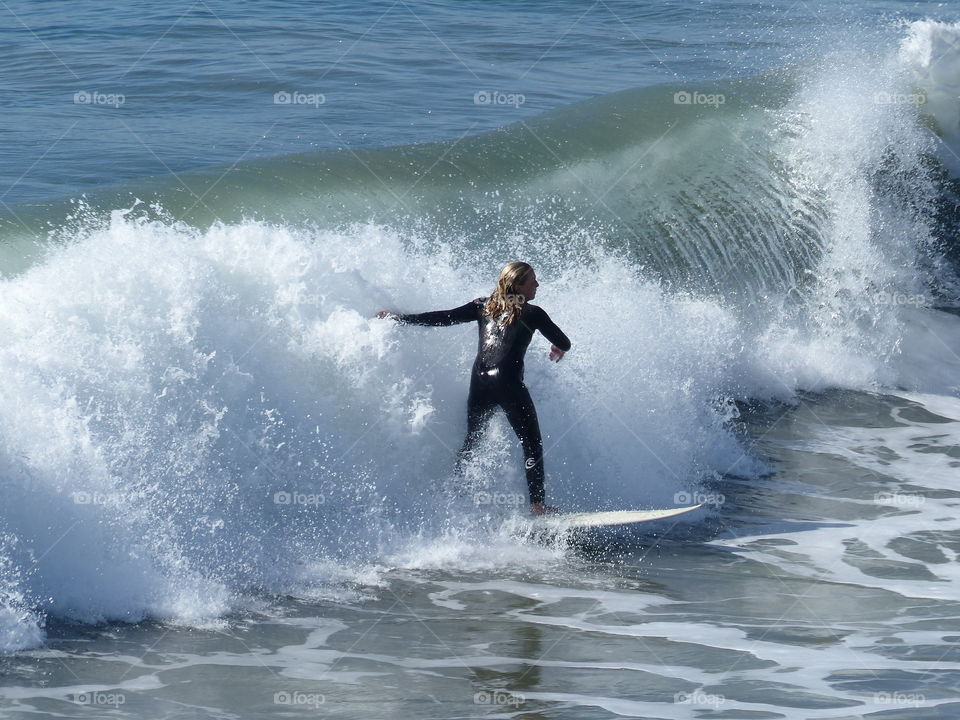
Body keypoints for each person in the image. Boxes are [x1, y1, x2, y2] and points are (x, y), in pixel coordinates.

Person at [377, 262, 571, 515]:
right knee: (531, 444)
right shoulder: (533, 313)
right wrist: (559, 349)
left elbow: (444, 318)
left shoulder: (482, 306)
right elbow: (564, 341)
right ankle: (537, 505)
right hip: (507, 383)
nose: (537, 285)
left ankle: (454, 494)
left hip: (480, 382)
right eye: (532, 280)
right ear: (518, 285)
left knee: (473, 441)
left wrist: (401, 319)